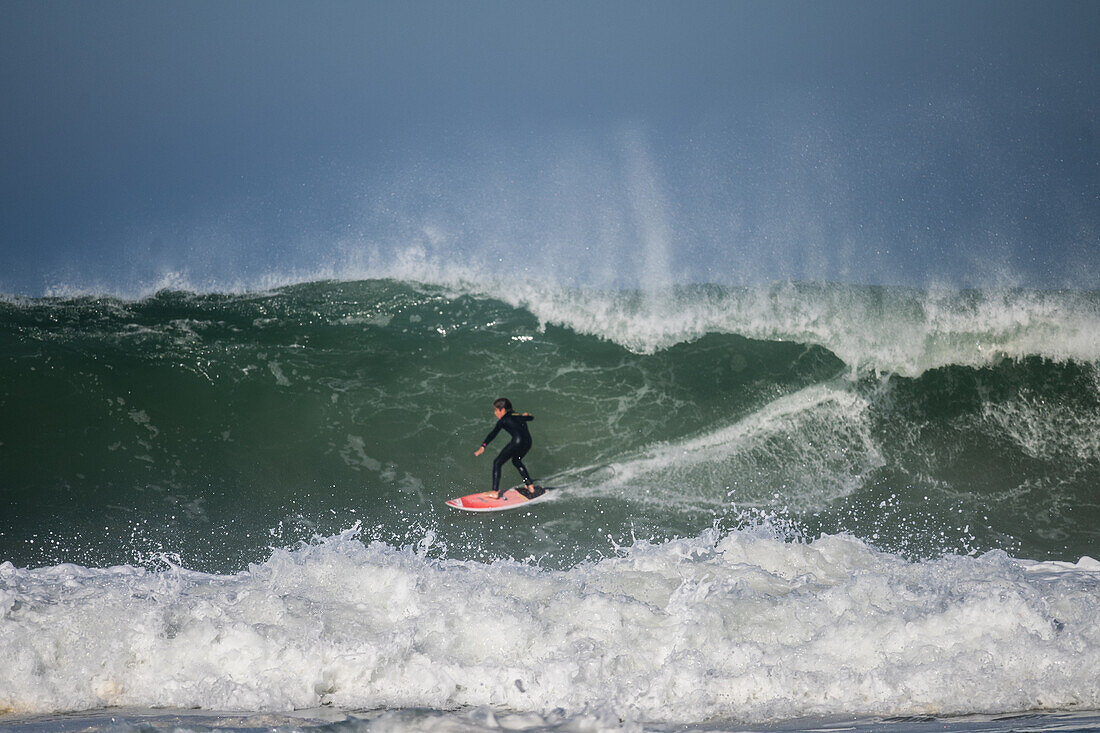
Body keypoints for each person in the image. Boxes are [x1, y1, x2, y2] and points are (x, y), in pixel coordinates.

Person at [474, 398, 538, 499]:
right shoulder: (517, 415)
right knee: (516, 461)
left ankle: (494, 492)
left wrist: (483, 446)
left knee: (497, 462)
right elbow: (530, 418)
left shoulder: (503, 420)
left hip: (518, 441)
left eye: (496, 410)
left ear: (502, 410)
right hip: (528, 442)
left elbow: (493, 433)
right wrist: (528, 415)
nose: (495, 413)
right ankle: (530, 486)